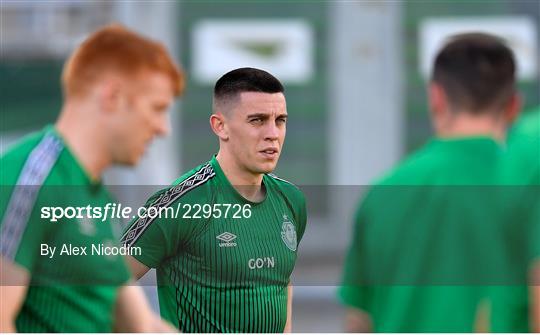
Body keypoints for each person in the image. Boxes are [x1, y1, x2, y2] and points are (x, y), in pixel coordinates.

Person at [0, 24, 184, 332]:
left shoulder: (95, 197)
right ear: (112, 96)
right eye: (157, 108)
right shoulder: (31, 178)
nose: (163, 128)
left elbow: (140, 325)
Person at [338, 33, 522, 332]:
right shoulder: (525, 189)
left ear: (436, 97)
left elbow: (359, 320)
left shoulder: (384, 192)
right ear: (513, 105)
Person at [121, 67, 307, 333]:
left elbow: (281, 283)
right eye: (257, 120)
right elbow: (103, 278)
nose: (273, 134)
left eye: (280, 120)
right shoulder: (183, 203)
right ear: (220, 126)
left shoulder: (291, 200)